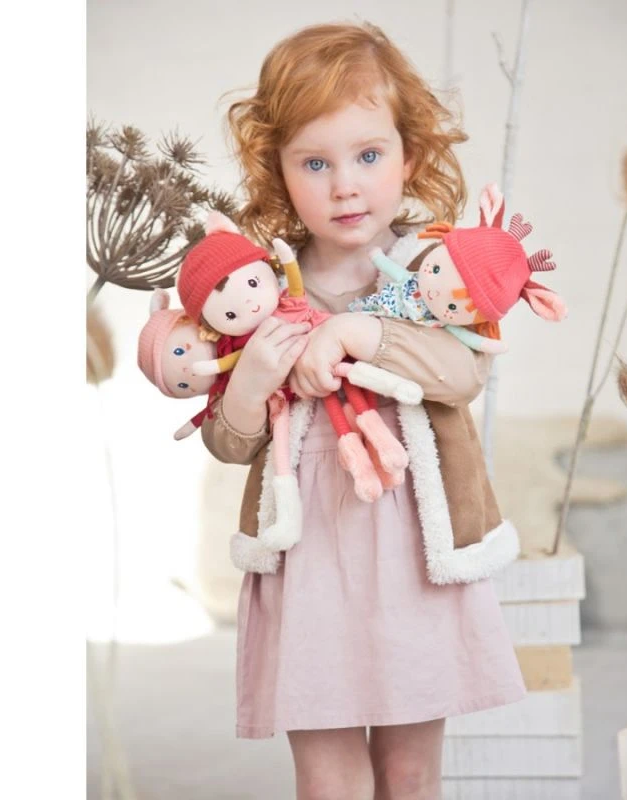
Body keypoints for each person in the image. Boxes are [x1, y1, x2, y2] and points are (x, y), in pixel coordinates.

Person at [201, 21, 527, 800]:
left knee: (409, 775)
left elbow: (462, 371)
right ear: (280, 172)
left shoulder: (433, 269)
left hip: (413, 548)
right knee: (326, 780)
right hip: (310, 555)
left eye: (369, 155)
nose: (345, 185)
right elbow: (229, 442)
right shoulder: (258, 290)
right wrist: (254, 378)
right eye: (315, 163)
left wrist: (361, 332)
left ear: (408, 156)